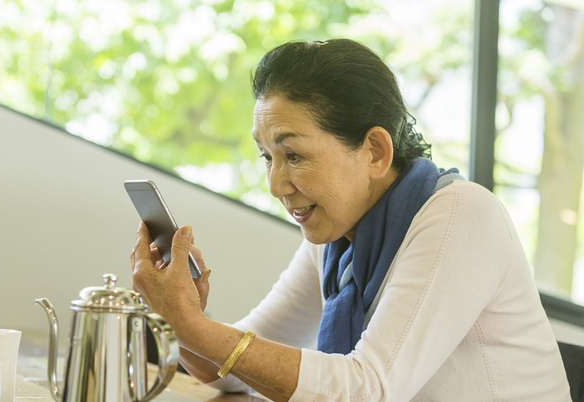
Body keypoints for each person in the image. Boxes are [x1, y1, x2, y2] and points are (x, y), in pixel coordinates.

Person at [131, 39, 570, 401]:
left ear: (375, 152)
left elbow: (369, 388)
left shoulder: (461, 215)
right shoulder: (335, 239)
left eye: (295, 155)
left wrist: (193, 327)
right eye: (267, 157)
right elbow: (231, 370)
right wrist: (178, 316)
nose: (276, 184)